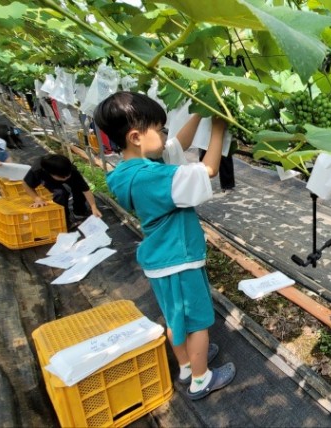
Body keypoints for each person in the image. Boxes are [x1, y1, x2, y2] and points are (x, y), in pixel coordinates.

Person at [94, 91, 236, 400]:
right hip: (180, 258)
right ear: (135, 136)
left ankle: (186, 366)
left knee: (175, 318)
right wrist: (217, 131)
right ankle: (201, 379)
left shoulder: (125, 173)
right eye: (159, 129)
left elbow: (174, 147)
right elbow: (207, 171)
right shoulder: (153, 178)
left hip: (160, 261)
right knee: (197, 322)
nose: (164, 134)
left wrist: (198, 113)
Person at [23, 154, 102, 227]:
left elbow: (86, 190)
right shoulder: (38, 170)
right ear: (50, 173)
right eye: (62, 177)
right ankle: (64, 221)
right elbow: (26, 184)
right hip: (50, 180)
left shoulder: (70, 170)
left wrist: (93, 207)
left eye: (68, 175)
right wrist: (37, 198)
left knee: (78, 187)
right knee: (61, 193)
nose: (66, 178)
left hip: (64, 173)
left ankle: (79, 211)